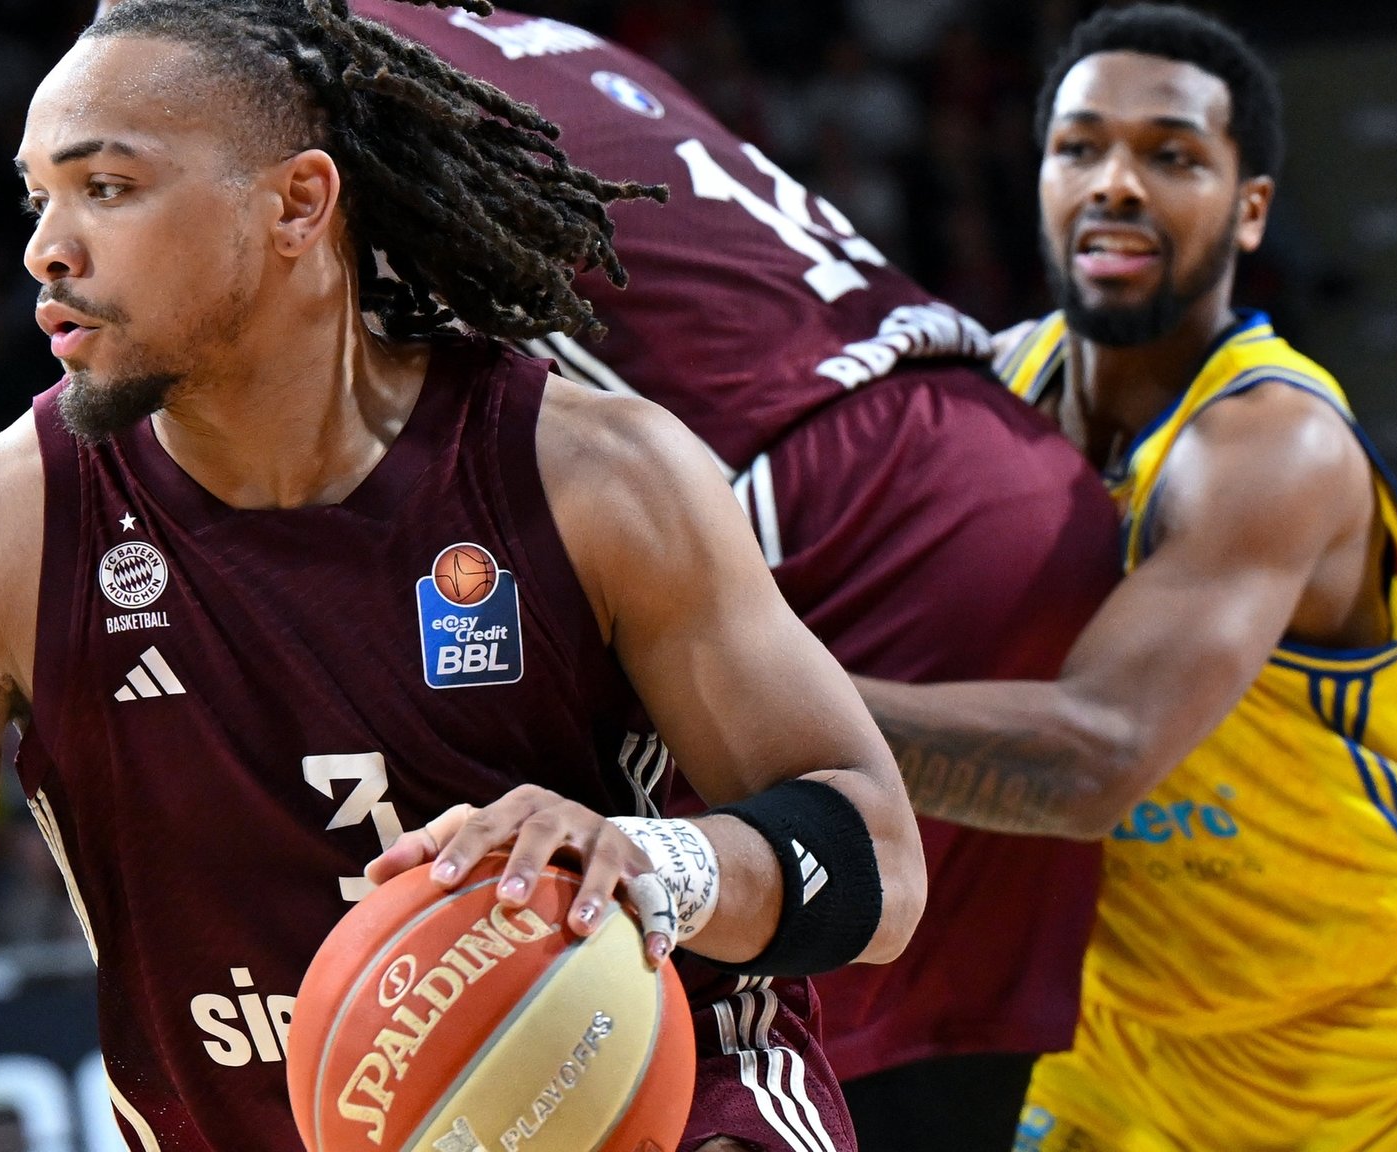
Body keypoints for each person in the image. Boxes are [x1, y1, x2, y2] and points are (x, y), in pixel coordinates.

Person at [0, 4, 927, 1152]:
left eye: (105, 188)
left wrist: (651, 862)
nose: (46, 247)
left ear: (297, 203)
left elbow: (875, 854)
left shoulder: (590, 475)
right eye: (40, 198)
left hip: (646, 1104)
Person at [351, 5, 1122, 1149]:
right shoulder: (540, 38)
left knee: (695, 995)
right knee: (926, 1056)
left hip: (826, 498)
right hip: (989, 443)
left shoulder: (302, 55)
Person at [852, 6, 1397, 1150]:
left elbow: (1092, 756)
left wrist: (767, 696)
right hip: (1127, 1064)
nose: (1113, 182)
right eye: (1079, 146)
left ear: (1250, 208)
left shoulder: (1271, 446)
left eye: (1169, 155)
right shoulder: (980, 400)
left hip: (1392, 1063)